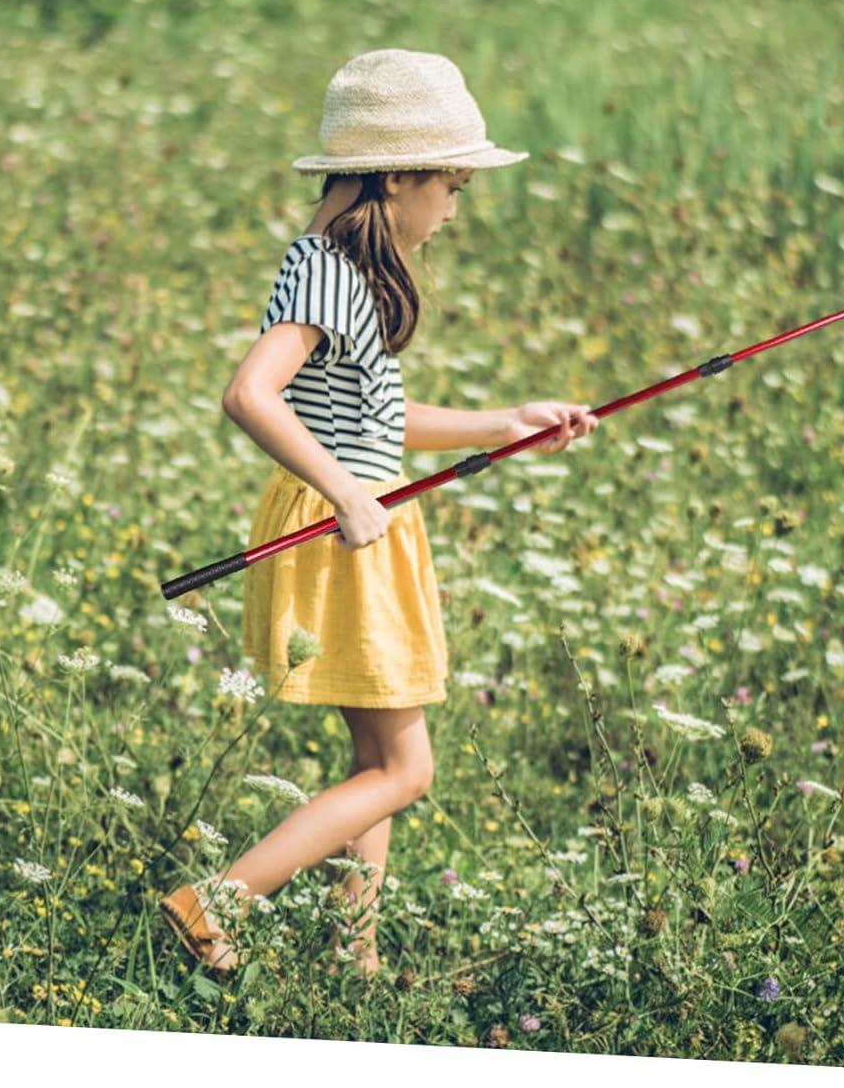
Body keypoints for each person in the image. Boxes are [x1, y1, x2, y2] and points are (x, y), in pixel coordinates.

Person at [159, 48, 598, 977]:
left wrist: (504, 424)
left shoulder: (344, 270)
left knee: (377, 761)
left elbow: (373, 422)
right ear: (396, 176)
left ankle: (350, 958)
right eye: (452, 186)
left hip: (359, 521)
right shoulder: (325, 271)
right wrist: (349, 492)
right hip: (345, 531)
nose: (454, 210)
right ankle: (215, 902)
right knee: (405, 768)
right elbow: (250, 394)